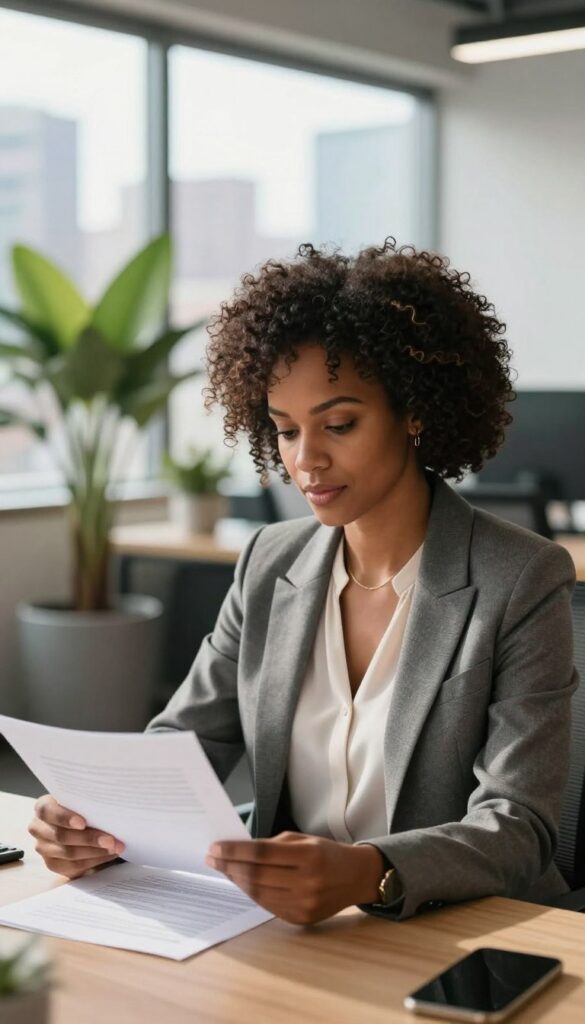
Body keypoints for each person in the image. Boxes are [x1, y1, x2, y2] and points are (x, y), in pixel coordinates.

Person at [29, 240, 576, 925]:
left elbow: (519, 825)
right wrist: (93, 818)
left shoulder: (519, 578)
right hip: (290, 929)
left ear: (413, 411)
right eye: (285, 431)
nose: (306, 459)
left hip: (460, 931)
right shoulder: (269, 561)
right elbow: (180, 747)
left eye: (339, 424)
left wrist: (371, 871)